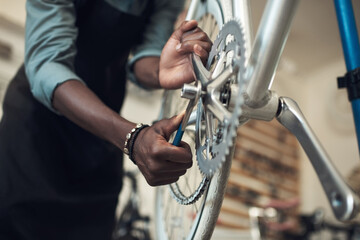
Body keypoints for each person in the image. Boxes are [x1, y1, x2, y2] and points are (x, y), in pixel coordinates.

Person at [0, 0, 212, 239]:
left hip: (99, 143)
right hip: (35, 137)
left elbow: (147, 54)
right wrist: (132, 139)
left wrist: (160, 70)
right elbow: (48, 67)